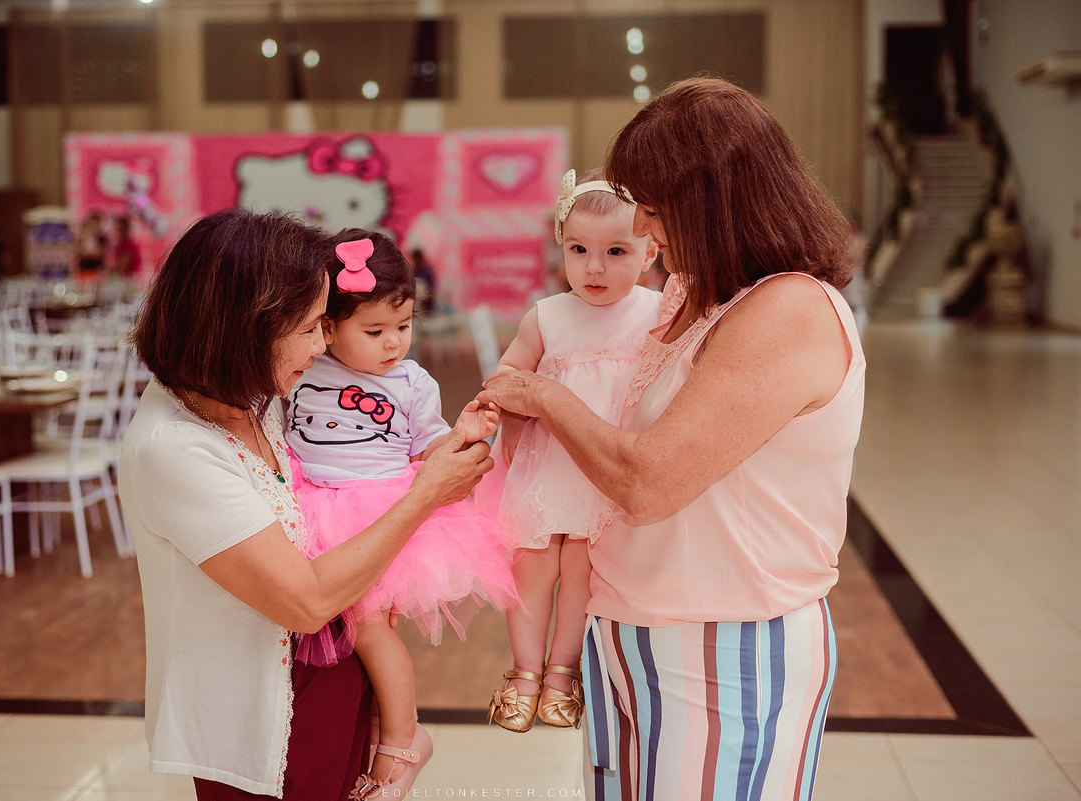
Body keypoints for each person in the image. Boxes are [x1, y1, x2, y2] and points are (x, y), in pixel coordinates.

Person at [477, 77, 865, 801]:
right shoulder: (690, 295)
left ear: (712, 201)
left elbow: (647, 481)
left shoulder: (788, 309)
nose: (644, 229)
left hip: (722, 647)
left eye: (654, 209)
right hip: (626, 631)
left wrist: (545, 395)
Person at [119, 209, 494, 801]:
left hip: (332, 681)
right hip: (257, 721)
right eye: (312, 326)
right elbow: (306, 601)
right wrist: (426, 494)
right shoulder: (176, 446)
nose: (323, 345)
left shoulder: (259, 395)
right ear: (247, 326)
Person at [283, 228, 518, 799]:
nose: (393, 343)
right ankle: (360, 733)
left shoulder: (412, 382)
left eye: (404, 326)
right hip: (309, 511)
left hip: (378, 515)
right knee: (326, 636)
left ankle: (402, 738)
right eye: (375, 331)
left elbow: (427, 454)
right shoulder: (303, 369)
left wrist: (463, 435)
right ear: (327, 328)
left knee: (368, 630)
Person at [483, 168, 660, 733]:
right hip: (547, 463)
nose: (594, 268)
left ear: (650, 252)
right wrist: (512, 415)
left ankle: (562, 670)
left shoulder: (658, 313)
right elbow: (509, 373)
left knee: (583, 569)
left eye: (615, 252)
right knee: (532, 564)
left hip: (605, 464)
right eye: (579, 250)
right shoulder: (548, 315)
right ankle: (523, 672)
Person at [75, 211, 107, 278]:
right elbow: (78, 253)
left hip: (97, 270)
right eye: (93, 223)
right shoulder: (81, 238)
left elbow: (101, 254)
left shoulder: (102, 238)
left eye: (97, 224)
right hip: (84, 270)